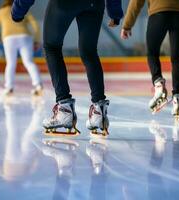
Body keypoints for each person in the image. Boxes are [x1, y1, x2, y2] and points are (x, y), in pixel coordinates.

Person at [11, 0, 123, 135]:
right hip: (94, 3)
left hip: (64, 3)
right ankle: (99, 112)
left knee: (51, 47)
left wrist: (18, 11)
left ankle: (65, 109)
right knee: (89, 52)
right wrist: (115, 12)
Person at [121, 0, 179, 120]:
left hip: (158, 14)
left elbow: (136, 2)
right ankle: (177, 97)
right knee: (177, 58)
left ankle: (158, 84)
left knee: (152, 52)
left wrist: (127, 25)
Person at [0, 0, 43, 96]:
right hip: (25, 36)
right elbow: (36, 25)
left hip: (9, 38)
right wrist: (36, 40)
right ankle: (38, 85)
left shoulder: (2, 11)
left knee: (11, 63)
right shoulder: (22, 7)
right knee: (28, 62)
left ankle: (9, 87)